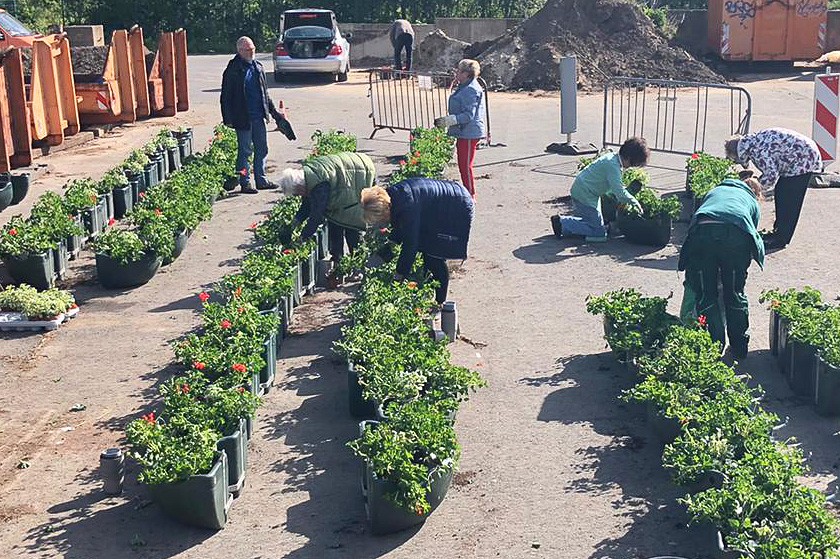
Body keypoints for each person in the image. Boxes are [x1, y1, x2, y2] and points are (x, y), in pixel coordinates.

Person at [678, 177, 765, 359]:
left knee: (706, 293)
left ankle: (714, 346)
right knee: (734, 292)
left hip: (703, 235)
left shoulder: (715, 191)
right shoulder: (751, 200)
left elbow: (698, 216)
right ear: (756, 193)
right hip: (736, 236)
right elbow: (751, 233)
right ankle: (739, 347)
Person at [360, 178, 474, 305]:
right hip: (446, 202)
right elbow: (401, 228)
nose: (381, 222)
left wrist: (399, 274)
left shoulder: (407, 204)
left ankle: (439, 303)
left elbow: (410, 244)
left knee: (434, 256)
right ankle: (429, 293)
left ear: (384, 209)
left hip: (456, 206)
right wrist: (387, 250)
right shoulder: (394, 196)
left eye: (380, 218)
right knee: (427, 247)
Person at [724, 128, 822, 250]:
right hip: (800, 154)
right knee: (781, 193)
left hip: (803, 159)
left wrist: (754, 189)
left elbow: (771, 175)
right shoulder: (752, 142)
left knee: (790, 199)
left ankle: (782, 238)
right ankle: (778, 231)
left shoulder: (756, 151)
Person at [279, 152, 376, 268]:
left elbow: (316, 216)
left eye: (296, 193)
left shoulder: (319, 186)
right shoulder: (307, 177)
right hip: (351, 170)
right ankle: (337, 262)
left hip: (359, 174)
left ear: (299, 187)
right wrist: (292, 225)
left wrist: (301, 239)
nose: (298, 196)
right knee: (335, 220)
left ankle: (358, 265)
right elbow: (306, 206)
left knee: (350, 222)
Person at [221, 36, 290, 194]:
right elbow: (225, 97)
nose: (252, 52)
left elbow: (265, 93)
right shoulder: (233, 70)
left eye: (253, 49)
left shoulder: (257, 67)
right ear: (240, 51)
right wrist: (228, 119)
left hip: (259, 117)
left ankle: (261, 180)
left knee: (262, 148)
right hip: (242, 117)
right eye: (248, 50)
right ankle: (245, 182)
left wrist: (274, 112)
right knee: (245, 152)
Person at [550, 138, 648, 242]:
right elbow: (619, 191)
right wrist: (634, 202)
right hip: (584, 194)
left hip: (586, 192)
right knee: (599, 233)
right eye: (633, 164)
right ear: (628, 158)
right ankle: (562, 223)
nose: (631, 167)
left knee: (594, 223)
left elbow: (615, 187)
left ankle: (564, 224)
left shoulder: (612, 158)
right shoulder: (613, 166)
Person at [433, 59, 486, 199]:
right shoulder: (464, 86)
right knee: (463, 164)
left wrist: (451, 120)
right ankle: (468, 192)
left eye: (459, 71)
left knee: (465, 165)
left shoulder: (471, 89)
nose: (456, 73)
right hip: (463, 131)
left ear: (466, 74)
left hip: (469, 132)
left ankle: (470, 195)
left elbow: (469, 115)